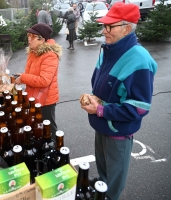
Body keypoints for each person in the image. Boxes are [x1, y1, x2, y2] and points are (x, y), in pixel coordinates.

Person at [80, 2, 157, 200]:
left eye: (109, 26)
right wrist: (93, 97)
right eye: (103, 26)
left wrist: (100, 110)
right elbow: (99, 84)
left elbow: (140, 108)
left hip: (118, 133)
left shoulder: (140, 59)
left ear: (127, 28)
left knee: (113, 186)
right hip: (101, 126)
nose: (104, 31)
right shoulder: (109, 49)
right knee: (104, 172)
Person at [14, 23, 62, 138]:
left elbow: (44, 80)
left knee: (48, 127)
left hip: (46, 99)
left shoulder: (49, 55)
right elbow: (34, 74)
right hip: (35, 96)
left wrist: (24, 78)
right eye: (28, 36)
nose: (29, 40)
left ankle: (56, 149)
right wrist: (23, 76)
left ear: (42, 39)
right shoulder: (33, 52)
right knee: (38, 126)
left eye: (32, 37)